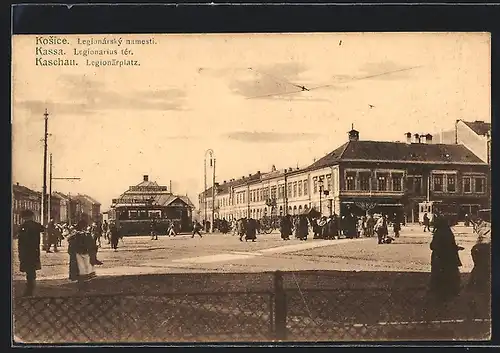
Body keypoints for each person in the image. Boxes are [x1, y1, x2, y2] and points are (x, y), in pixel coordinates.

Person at [429, 217, 464, 300]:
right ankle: (451, 291)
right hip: (449, 257)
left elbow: (433, 246)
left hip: (439, 257)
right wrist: (456, 248)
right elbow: (451, 245)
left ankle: (439, 291)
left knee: (439, 275)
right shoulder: (448, 232)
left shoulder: (438, 232)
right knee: (450, 274)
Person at [17, 210, 44, 296]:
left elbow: (21, 240)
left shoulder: (23, 226)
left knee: (29, 270)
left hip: (25, 251)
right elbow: (43, 229)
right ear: (31, 216)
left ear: (24, 217)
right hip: (34, 251)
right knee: (32, 269)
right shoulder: (36, 225)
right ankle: (31, 286)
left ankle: (29, 289)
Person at [67, 220, 97, 286]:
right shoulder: (77, 234)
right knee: (82, 266)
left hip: (82, 252)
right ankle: (83, 279)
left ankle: (84, 279)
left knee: (84, 266)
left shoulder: (83, 234)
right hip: (80, 252)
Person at [467, 219, 491, 292]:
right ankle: (480, 285)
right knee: (484, 267)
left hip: (476, 248)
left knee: (478, 266)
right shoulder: (488, 226)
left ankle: (472, 284)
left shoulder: (484, 226)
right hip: (484, 249)